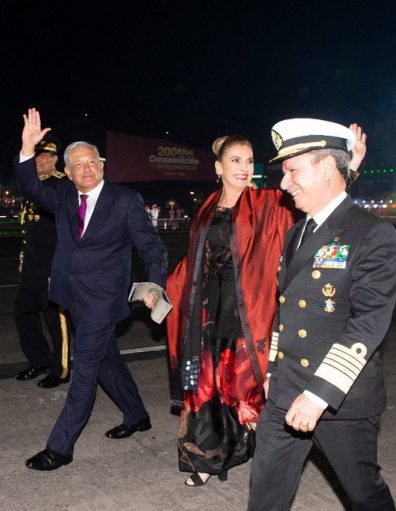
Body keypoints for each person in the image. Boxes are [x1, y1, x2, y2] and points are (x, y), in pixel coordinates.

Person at [165, 126, 367, 487]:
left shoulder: (269, 202)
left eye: (249, 161)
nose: (244, 168)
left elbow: (321, 200)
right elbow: (193, 261)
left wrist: (349, 168)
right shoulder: (206, 209)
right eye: (235, 161)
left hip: (251, 311)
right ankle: (209, 457)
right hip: (209, 312)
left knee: (245, 386)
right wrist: (163, 291)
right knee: (210, 386)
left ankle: (266, 450)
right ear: (218, 167)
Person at [248, 119, 396, 510]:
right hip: (284, 391)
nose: (285, 183)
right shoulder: (296, 233)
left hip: (337, 398)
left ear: (328, 168)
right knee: (265, 493)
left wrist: (318, 395)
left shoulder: (372, 234)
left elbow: (368, 323)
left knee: (365, 495)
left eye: (293, 171)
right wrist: (273, 372)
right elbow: (285, 309)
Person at [18, 108, 168, 471]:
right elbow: (30, 187)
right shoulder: (64, 196)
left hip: (104, 300)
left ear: (102, 165)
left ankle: (60, 448)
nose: (87, 169)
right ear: (68, 173)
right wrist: (27, 149)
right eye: (78, 165)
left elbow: (152, 247)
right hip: (72, 296)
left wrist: (154, 284)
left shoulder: (124, 200)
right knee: (106, 360)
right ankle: (137, 415)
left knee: (84, 369)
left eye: (92, 162)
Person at [13, 135, 72, 389]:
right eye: (35, 156)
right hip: (32, 264)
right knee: (23, 311)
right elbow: (28, 229)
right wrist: (23, 258)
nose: (39, 161)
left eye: (44, 156)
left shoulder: (61, 185)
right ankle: (39, 360)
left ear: (55, 159)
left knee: (55, 320)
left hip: (53, 263)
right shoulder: (33, 186)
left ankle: (60, 369)